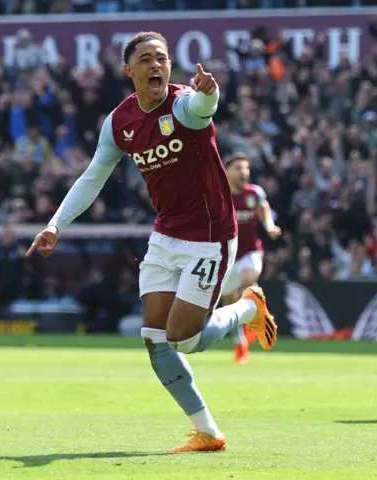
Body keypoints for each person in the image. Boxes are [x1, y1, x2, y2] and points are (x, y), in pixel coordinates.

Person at [27, 31, 277, 453]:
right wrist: (56, 224)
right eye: (145, 59)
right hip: (165, 232)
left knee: (183, 338)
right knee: (154, 336)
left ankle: (249, 307)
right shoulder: (119, 123)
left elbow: (202, 109)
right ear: (129, 71)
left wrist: (209, 95)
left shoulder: (183, 103)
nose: (156, 65)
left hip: (210, 234)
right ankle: (208, 431)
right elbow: (93, 177)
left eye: (161, 58)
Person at [220, 153, 282, 364]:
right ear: (226, 171)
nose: (244, 172)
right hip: (225, 259)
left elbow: (263, 208)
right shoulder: (217, 194)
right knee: (230, 304)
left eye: (246, 168)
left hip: (250, 252)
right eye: (238, 168)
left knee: (248, 278)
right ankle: (240, 344)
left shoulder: (253, 193)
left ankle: (259, 318)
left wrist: (269, 225)